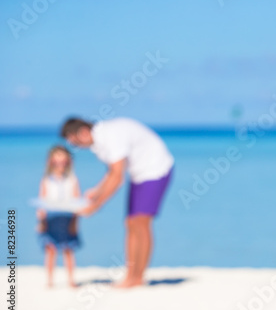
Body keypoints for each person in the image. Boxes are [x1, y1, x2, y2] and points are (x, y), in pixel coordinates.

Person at [60, 117, 174, 288]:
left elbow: (117, 177)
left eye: (74, 141)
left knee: (141, 223)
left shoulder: (111, 136)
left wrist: (95, 206)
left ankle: (137, 278)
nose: (76, 146)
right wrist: (97, 192)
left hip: (155, 170)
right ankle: (133, 276)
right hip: (139, 174)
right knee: (130, 223)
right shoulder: (100, 142)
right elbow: (112, 172)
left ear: (83, 132)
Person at [37, 145, 81, 288]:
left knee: (68, 249)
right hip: (51, 217)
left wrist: (75, 222)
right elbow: (41, 202)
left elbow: (77, 201)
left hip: (67, 217)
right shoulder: (46, 180)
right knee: (50, 249)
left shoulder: (72, 179)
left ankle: (71, 279)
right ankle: (49, 280)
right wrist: (41, 221)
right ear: (51, 161)